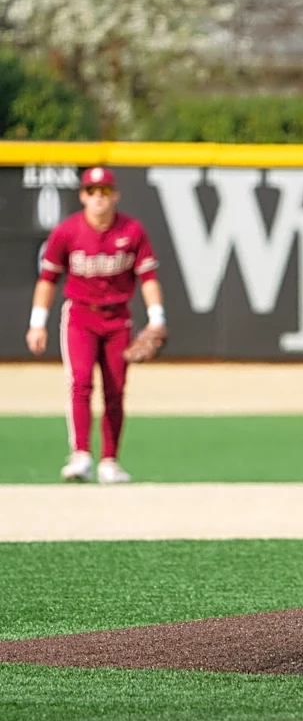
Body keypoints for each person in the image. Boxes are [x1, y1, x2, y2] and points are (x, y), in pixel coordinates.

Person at [25, 166, 167, 484]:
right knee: (80, 383)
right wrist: (38, 323)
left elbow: (148, 278)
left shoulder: (131, 231)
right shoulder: (67, 231)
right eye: (92, 191)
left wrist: (157, 317)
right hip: (81, 316)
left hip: (118, 317)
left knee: (115, 390)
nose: (98, 198)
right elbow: (48, 279)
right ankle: (80, 455)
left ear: (115, 195)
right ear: (82, 196)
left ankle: (110, 460)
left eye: (104, 192)